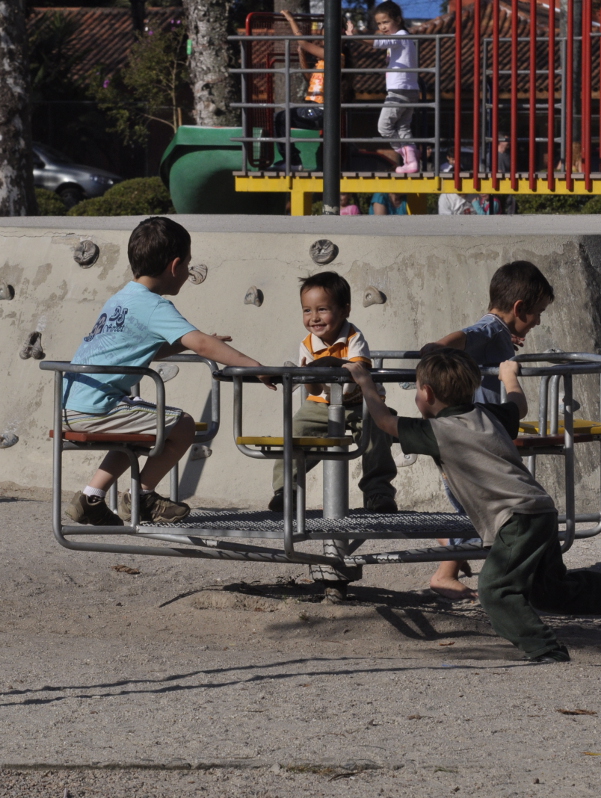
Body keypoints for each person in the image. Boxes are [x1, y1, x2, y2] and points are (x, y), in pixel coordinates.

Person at [344, 351, 601, 662]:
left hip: (515, 520)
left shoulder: (437, 432)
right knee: (549, 591)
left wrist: (365, 382)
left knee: (495, 589)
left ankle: (543, 647)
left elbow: (384, 421)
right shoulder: (488, 415)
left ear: (425, 393)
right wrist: (509, 376)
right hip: (538, 509)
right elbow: (518, 406)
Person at [63, 217, 274, 526]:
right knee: (183, 425)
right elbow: (201, 343)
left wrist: (187, 345)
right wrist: (251, 364)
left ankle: (90, 498)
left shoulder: (121, 299)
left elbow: (143, 348)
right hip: (98, 409)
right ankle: (142, 496)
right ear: (176, 266)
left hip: (72, 406)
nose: (188, 272)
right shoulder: (154, 306)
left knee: (137, 434)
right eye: (188, 265)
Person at [419, 261, 555, 600]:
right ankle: (445, 564)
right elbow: (465, 337)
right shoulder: (491, 329)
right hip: (473, 447)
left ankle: (449, 556)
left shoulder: (499, 334)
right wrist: (437, 349)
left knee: (480, 512)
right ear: (519, 308)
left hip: (476, 444)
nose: (538, 320)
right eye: (537, 312)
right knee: (484, 516)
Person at [268, 271, 398, 514]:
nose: (314, 318)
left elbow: (359, 369)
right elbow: (315, 390)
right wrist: (309, 377)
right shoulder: (307, 344)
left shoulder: (353, 337)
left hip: (361, 400)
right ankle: (287, 489)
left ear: (345, 310)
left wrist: (330, 363)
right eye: (307, 310)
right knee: (294, 432)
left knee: (376, 436)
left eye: (322, 309)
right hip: (322, 402)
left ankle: (377, 492)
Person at [272, 9, 336, 170]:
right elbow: (310, 79)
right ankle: (292, 160)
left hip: (321, 111)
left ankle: (292, 161)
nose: (323, 41)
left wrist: (291, 20)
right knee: (280, 117)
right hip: (313, 107)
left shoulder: (335, 55)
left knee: (281, 118)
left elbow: (303, 42)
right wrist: (302, 55)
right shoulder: (322, 60)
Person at [370, 1, 421, 174]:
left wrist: (351, 36)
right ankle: (411, 160)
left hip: (400, 90)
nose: (382, 27)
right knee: (403, 127)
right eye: (379, 23)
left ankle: (410, 153)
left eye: (386, 22)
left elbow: (375, 43)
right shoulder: (404, 37)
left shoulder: (400, 36)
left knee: (384, 126)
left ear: (398, 20)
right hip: (410, 89)